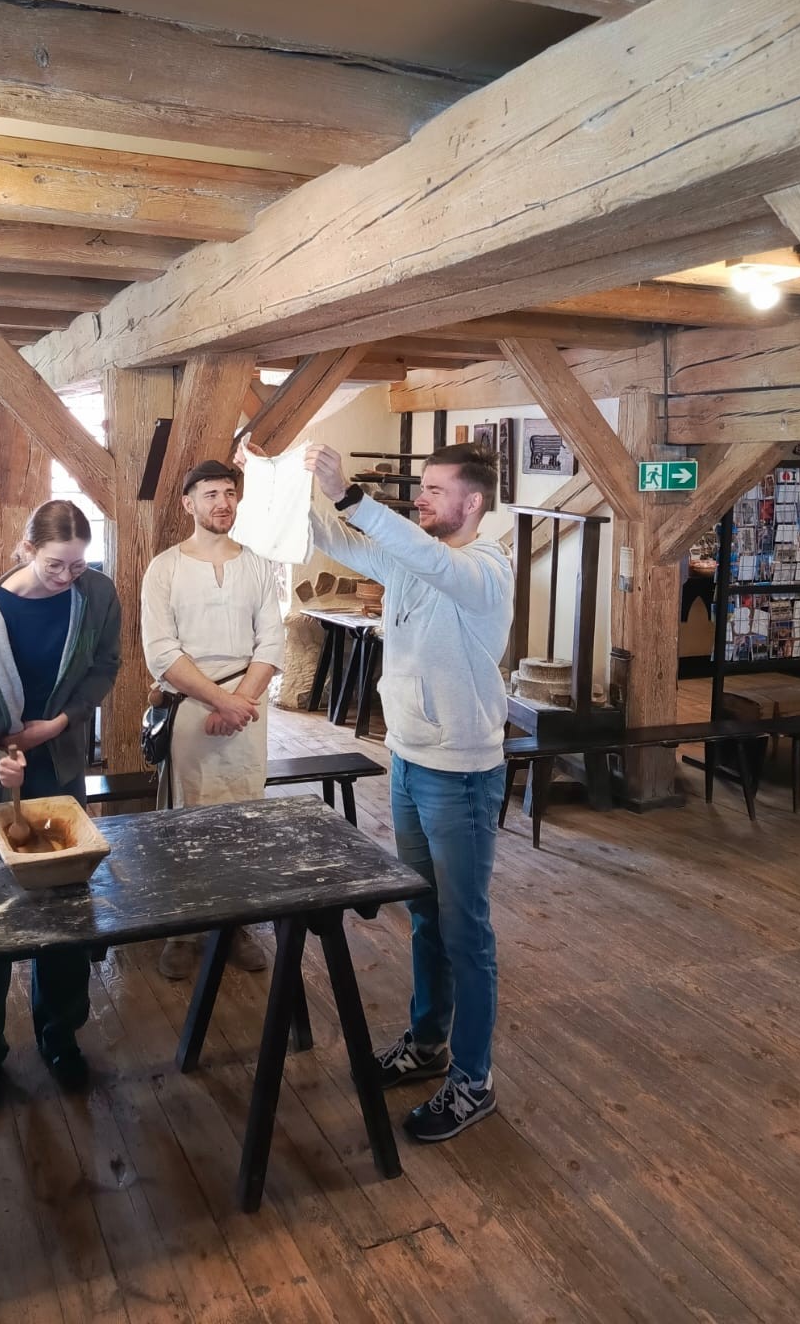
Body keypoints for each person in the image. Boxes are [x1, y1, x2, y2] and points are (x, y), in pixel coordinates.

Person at [304, 440, 514, 1144]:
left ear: (473, 502)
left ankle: (474, 1080)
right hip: (408, 761)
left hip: (461, 774)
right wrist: (276, 492)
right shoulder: (414, 557)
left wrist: (350, 494)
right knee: (424, 916)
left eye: (433, 489)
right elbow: (340, 540)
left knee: (465, 930)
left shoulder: (484, 569)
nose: (420, 498)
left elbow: (425, 557)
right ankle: (429, 1045)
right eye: (420, 487)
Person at [0, 499, 121, 1113]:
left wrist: (60, 723)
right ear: (25, 550)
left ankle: (59, 1034)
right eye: (54, 565)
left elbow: (105, 666)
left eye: (78, 564)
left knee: (65, 913)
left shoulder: (95, 596)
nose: (67, 577)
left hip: (58, 771)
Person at [140, 459, 286, 981]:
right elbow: (161, 651)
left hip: (247, 709)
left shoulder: (258, 565)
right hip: (191, 706)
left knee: (244, 816)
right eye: (210, 495)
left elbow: (272, 641)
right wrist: (220, 701)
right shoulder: (165, 568)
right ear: (189, 503)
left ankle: (236, 924)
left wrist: (240, 701)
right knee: (188, 816)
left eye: (229, 493)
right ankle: (185, 929)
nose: (222, 503)